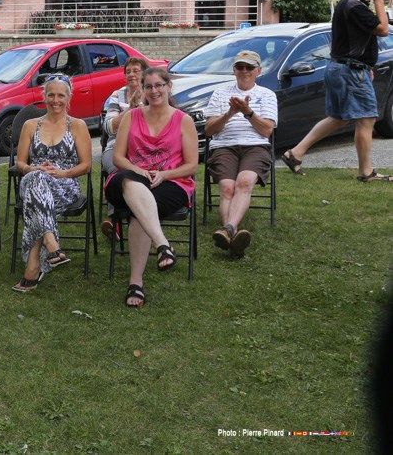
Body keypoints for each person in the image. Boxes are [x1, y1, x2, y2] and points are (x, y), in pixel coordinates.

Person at [281, 0, 391, 182]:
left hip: (343, 68)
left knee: (339, 117)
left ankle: (295, 153)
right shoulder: (355, 6)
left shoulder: (347, 3)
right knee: (367, 117)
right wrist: (379, 0)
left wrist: (366, 66)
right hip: (350, 71)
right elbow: (383, 30)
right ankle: (366, 171)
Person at [105, 67, 198, 308]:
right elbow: (118, 158)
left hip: (171, 182)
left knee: (139, 213)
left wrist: (165, 174)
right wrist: (138, 171)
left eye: (159, 85)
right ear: (143, 90)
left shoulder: (183, 120)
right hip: (131, 179)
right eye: (149, 86)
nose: (154, 91)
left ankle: (135, 282)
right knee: (126, 180)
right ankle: (162, 244)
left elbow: (191, 166)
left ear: (169, 86)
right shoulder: (131, 116)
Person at [12, 76, 91, 292]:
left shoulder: (78, 125)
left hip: (64, 185)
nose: (55, 100)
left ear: (69, 97)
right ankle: (51, 242)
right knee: (36, 179)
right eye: (51, 95)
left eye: (60, 95)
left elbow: (86, 166)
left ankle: (33, 265)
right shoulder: (30, 125)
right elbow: (20, 163)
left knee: (34, 197)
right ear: (44, 96)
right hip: (33, 179)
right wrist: (32, 168)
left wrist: (63, 173)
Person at [203, 50, 278, 258]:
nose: (245, 71)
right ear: (234, 70)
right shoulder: (220, 93)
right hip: (223, 146)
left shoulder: (267, 95)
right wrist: (230, 113)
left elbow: (266, 131)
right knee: (227, 188)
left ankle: (227, 230)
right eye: (240, 67)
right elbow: (209, 131)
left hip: (256, 146)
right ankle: (233, 236)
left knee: (244, 182)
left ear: (258, 71)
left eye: (249, 67)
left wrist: (247, 112)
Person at [100, 57, 148, 237]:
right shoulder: (117, 95)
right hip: (116, 146)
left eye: (136, 70)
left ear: (144, 73)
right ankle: (117, 219)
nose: (131, 74)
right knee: (117, 170)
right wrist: (130, 110)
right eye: (128, 72)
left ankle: (130, 216)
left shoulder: (153, 93)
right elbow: (108, 127)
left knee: (138, 172)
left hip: (144, 149)